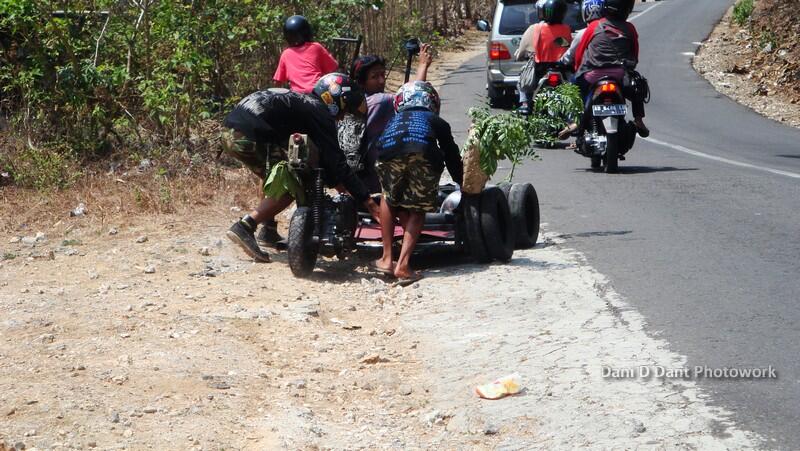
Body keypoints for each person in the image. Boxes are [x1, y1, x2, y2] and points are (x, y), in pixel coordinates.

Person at [222, 73, 381, 262]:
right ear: (338, 101)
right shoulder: (319, 112)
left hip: (228, 132)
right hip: (250, 135)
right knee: (291, 185)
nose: (340, 118)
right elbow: (336, 160)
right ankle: (246, 226)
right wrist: (368, 202)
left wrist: (338, 184)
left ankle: (269, 230)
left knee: (274, 175)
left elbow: (327, 161)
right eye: (344, 112)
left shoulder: (304, 102)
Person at [372, 81, 464, 282]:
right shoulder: (435, 120)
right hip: (425, 155)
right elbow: (451, 155)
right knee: (418, 208)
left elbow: (379, 145)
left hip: (388, 154)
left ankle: (387, 259)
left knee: (388, 197)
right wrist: (461, 181)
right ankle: (403, 265)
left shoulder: (393, 120)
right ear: (431, 102)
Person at [349, 44, 434, 193]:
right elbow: (413, 99)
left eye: (383, 75)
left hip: (356, 180)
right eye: (375, 77)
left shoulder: (351, 104)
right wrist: (422, 65)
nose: (382, 81)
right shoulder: (380, 101)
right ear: (361, 82)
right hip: (378, 181)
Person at [572, 0, 649, 137]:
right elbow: (635, 55)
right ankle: (638, 120)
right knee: (638, 86)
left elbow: (579, 54)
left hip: (592, 76)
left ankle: (576, 120)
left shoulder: (594, 26)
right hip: (620, 76)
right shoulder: (630, 28)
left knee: (574, 87)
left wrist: (578, 69)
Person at [557, 0, 605, 139]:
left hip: (590, 74)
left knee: (572, 89)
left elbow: (572, 56)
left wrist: (563, 62)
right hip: (616, 73)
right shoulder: (611, 28)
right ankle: (638, 120)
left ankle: (573, 121)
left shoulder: (584, 33)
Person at [514, 0, 572, 115]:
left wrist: (519, 56)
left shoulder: (535, 28)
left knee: (522, 79)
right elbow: (567, 46)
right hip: (562, 69)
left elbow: (521, 52)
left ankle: (525, 103)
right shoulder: (566, 29)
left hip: (540, 68)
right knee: (574, 89)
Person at [273, 15, 339, 93]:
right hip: (317, 92)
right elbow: (333, 67)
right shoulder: (316, 47)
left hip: (297, 96)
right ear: (307, 32)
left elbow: (277, 82)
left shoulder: (285, 54)